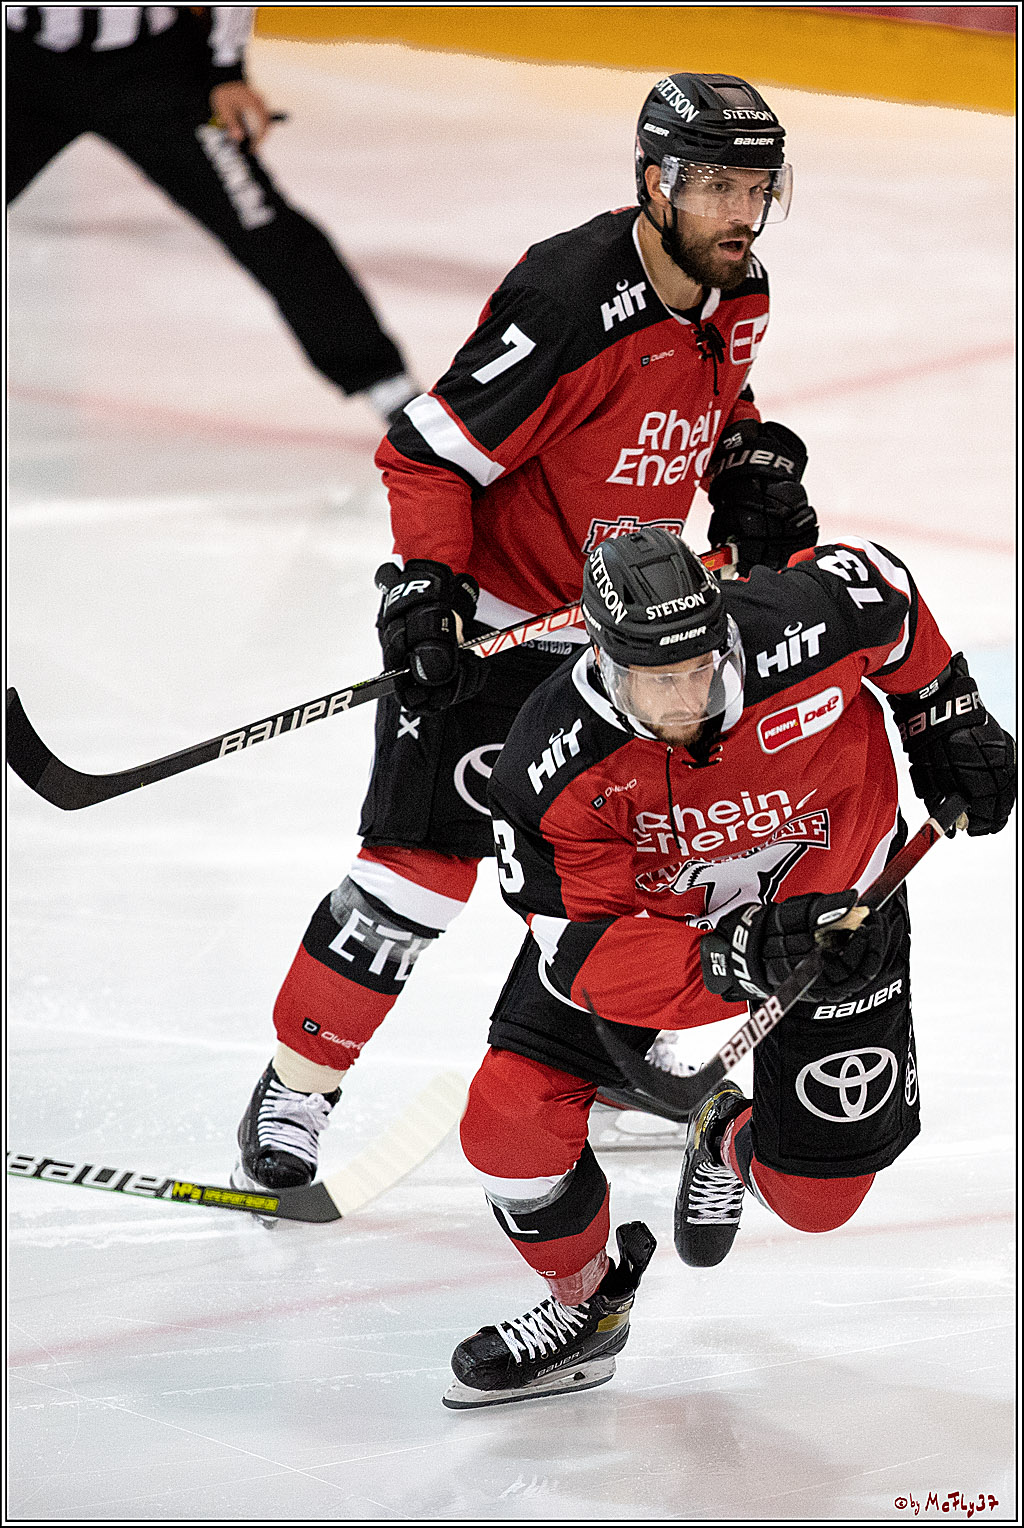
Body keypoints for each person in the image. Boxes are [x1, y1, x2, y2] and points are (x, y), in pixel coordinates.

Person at [230, 72, 820, 1195]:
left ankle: (605, 1073)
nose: (742, 213)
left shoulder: (736, 288)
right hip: (500, 628)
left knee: (634, 877)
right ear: (656, 183)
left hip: (623, 648)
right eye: (718, 187)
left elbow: (711, 403)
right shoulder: (568, 297)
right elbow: (427, 451)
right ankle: (298, 1086)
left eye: (759, 188)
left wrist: (744, 463)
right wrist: (425, 595)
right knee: (418, 874)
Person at [440, 526, 1015, 1408]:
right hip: (665, 935)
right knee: (507, 1124)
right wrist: (732, 955)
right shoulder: (550, 759)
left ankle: (724, 1136)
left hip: (841, 912)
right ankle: (587, 1307)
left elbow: (884, 588)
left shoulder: (796, 624)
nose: (689, 699)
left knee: (817, 1203)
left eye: (700, 668)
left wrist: (944, 710)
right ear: (605, 661)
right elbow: (583, 951)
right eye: (658, 680)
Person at [5, 6, 417, 425]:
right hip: (19, 69)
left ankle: (386, 384)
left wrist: (227, 70)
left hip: (154, 70)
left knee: (259, 221)